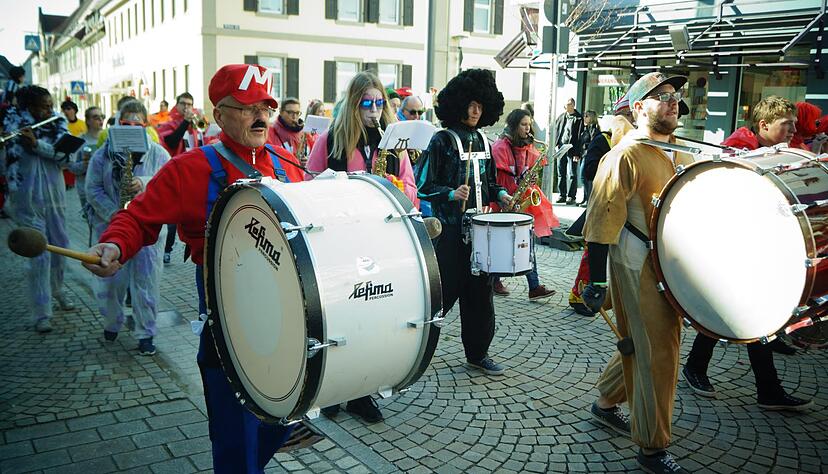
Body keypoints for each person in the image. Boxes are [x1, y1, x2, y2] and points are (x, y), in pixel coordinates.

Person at [82, 64, 307, 472]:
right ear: (219, 115)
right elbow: (138, 217)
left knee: (281, 420)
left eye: (265, 107)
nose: (260, 116)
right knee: (236, 441)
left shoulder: (287, 163)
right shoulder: (189, 168)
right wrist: (115, 244)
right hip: (228, 328)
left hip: (288, 320)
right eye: (247, 108)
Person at [581, 72, 697, 473]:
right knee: (659, 348)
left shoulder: (680, 152)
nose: (672, 100)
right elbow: (600, 221)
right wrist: (597, 281)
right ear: (638, 107)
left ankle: (606, 401)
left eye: (674, 94)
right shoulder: (624, 156)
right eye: (661, 95)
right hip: (637, 261)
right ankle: (652, 446)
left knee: (648, 341)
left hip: (672, 263)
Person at [682, 95, 812, 411]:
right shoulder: (737, 153)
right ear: (764, 125)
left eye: (794, 124)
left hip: (761, 246)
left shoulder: (778, 152)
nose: (793, 130)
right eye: (787, 124)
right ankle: (764, 389)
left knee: (743, 314)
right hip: (734, 246)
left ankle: (699, 367)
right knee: (749, 316)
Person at [416, 68, 512, 376]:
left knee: (481, 296)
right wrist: (450, 192)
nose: (475, 111)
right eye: (471, 104)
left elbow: (490, 182)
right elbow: (422, 184)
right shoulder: (441, 141)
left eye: (480, 106)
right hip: (450, 233)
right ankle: (413, 350)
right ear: (459, 104)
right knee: (440, 295)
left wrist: (501, 194)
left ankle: (478, 353)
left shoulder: (484, 141)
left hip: (480, 231)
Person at [86, 101, 170, 355]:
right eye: (125, 124)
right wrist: (115, 215)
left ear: (145, 126)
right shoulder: (102, 155)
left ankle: (146, 333)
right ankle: (112, 322)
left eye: (137, 125)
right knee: (111, 281)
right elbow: (92, 188)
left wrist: (144, 182)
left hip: (148, 231)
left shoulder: (158, 154)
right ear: (117, 124)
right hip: (111, 226)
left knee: (146, 282)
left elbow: (169, 186)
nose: (131, 128)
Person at [3, 86, 76, 332]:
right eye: (44, 106)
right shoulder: (13, 126)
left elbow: (66, 158)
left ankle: (58, 289)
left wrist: (37, 144)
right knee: (38, 254)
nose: (49, 110)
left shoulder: (57, 125)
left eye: (50, 105)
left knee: (61, 246)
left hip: (55, 198)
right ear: (29, 107)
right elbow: (7, 165)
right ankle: (41, 312)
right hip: (28, 201)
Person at [568, 94, 637, 315]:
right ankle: (581, 296)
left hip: (630, 211)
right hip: (605, 205)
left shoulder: (638, 143)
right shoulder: (603, 140)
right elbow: (588, 171)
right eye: (630, 116)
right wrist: (612, 166)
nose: (633, 121)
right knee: (594, 254)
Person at [306, 71, 419, 205]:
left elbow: (412, 192)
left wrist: (395, 187)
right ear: (354, 104)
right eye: (367, 103)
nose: (374, 109)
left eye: (379, 103)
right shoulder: (329, 139)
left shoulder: (393, 139)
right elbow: (309, 186)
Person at [490, 108, 557, 301]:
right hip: (505, 200)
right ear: (514, 126)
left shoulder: (528, 146)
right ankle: (495, 280)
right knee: (501, 242)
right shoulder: (500, 147)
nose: (528, 129)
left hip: (522, 201)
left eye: (529, 124)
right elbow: (496, 177)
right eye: (523, 124)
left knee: (527, 242)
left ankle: (534, 286)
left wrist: (531, 178)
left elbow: (529, 172)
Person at [156, 92, 205, 264]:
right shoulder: (168, 123)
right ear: (176, 105)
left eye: (190, 104)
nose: (186, 107)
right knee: (171, 217)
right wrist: (185, 122)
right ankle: (167, 249)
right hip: (174, 174)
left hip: (192, 175)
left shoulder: (195, 125)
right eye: (183, 103)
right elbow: (170, 141)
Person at [68, 106, 105, 218]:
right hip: (86, 190)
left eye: (102, 116)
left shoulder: (107, 138)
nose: (100, 120)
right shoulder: (79, 140)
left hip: (106, 189)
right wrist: (85, 164)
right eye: (96, 117)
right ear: (88, 121)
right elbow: (71, 167)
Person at [554, 98, 583, 205]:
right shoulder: (561, 117)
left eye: (569, 104)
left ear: (573, 105)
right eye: (566, 104)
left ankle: (571, 196)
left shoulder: (579, 118)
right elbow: (557, 131)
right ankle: (562, 195)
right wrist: (556, 144)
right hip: (561, 147)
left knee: (572, 173)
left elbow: (580, 137)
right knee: (561, 172)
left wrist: (577, 153)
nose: (566, 106)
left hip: (572, 149)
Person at [268, 97, 311, 165]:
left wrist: (308, 161)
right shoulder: (270, 132)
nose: (294, 117)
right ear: (281, 112)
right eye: (290, 112)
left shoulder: (305, 133)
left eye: (297, 113)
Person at [577, 110, 600, 206]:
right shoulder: (585, 128)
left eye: (586, 116)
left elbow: (592, 142)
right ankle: (585, 197)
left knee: (584, 177)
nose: (584, 118)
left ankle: (589, 199)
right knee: (583, 177)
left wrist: (585, 146)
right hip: (583, 155)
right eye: (584, 116)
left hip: (588, 155)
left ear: (591, 118)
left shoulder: (594, 128)